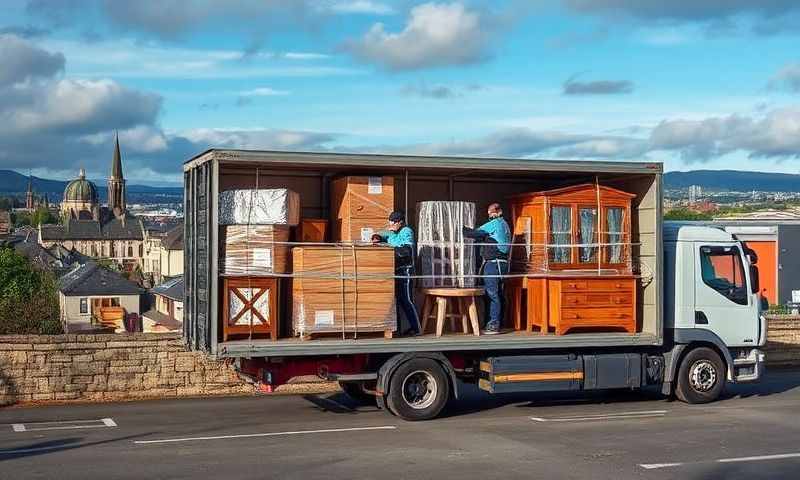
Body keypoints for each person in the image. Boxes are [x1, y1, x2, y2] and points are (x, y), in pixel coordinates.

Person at [463, 203, 511, 335]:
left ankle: (493, 324)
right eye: (489, 213)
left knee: (492, 294)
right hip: (503, 264)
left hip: (493, 264)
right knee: (499, 294)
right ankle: (499, 322)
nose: (490, 215)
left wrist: (460, 228)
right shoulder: (505, 224)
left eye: (492, 212)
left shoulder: (495, 223)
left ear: (499, 211)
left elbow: (475, 233)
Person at [372, 211, 421, 336]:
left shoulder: (406, 231)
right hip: (395, 271)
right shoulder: (391, 232)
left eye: (393, 223)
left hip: (406, 270)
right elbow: (380, 235)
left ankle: (417, 329)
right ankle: (397, 329)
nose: (391, 225)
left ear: (400, 222)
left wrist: (390, 249)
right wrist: (376, 237)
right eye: (390, 222)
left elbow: (406, 251)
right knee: (396, 300)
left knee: (407, 300)